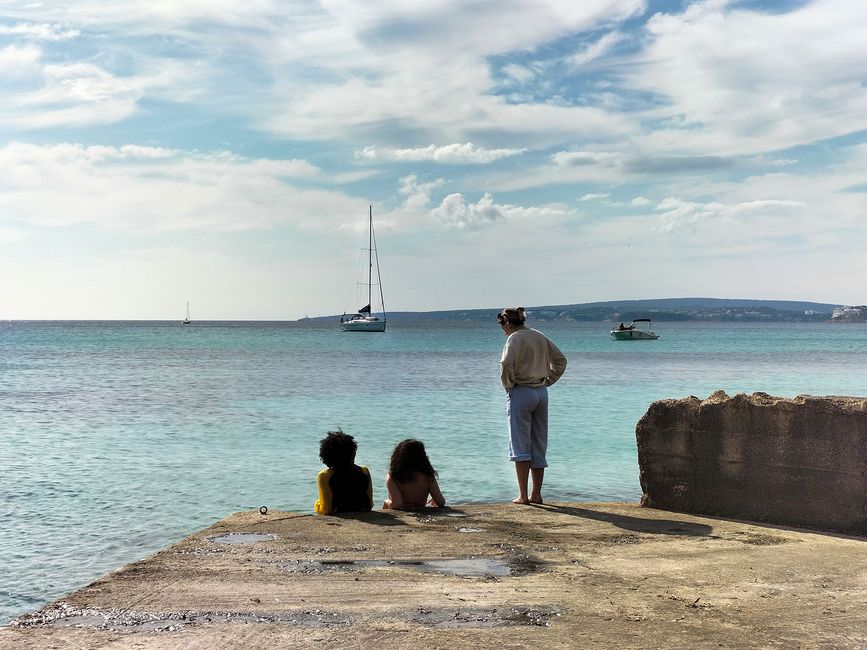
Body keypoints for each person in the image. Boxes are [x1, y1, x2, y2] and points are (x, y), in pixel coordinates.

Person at [497, 307, 567, 505]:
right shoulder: (538, 335)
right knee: (538, 443)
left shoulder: (514, 338)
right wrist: (548, 380)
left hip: (521, 391)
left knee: (520, 444)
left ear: (508, 323)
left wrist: (508, 384)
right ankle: (537, 494)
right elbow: (560, 361)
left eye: (503, 326)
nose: (503, 330)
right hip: (541, 393)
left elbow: (506, 363)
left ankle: (523, 495)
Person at [313, 430, 373, 515]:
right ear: (353, 453)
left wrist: (317, 504)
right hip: (362, 513)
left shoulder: (325, 475)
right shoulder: (364, 471)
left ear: (325, 456)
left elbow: (327, 510)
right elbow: (369, 504)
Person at [382, 439, 446, 510]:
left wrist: (386, 502)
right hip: (420, 509)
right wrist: (434, 498)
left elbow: (397, 504)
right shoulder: (427, 476)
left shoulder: (393, 476)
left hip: (403, 511)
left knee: (386, 505)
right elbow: (441, 502)